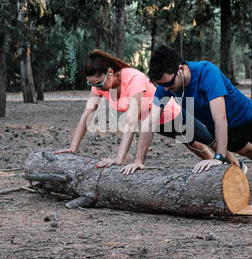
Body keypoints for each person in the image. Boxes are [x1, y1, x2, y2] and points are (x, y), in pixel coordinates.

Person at [121, 45, 252, 200]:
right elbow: (150, 122)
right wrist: (139, 159)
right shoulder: (165, 86)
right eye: (162, 85)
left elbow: (220, 116)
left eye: (168, 83)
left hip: (247, 118)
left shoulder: (207, 72)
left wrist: (218, 157)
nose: (166, 89)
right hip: (225, 130)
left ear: (180, 69)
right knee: (250, 153)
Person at [54, 49, 241, 169]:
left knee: (208, 141)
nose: (98, 88)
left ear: (110, 73)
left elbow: (131, 120)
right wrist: (72, 148)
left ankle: (236, 166)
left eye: (100, 83)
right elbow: (87, 114)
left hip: (170, 114)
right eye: (92, 85)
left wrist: (120, 158)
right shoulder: (99, 86)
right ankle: (218, 173)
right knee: (192, 144)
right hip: (153, 124)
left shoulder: (133, 78)